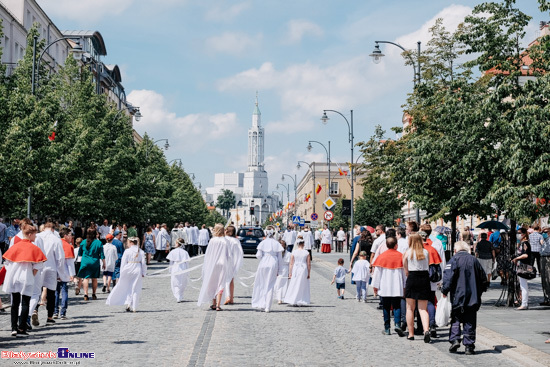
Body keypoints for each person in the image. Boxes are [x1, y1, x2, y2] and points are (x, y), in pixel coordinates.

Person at [442, 241, 489, 355]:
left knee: (456, 318)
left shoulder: (454, 260)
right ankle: (469, 346)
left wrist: (444, 291)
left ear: (455, 250)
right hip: (472, 297)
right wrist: (481, 291)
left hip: (458, 295)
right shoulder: (474, 260)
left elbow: (448, 278)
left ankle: (455, 339)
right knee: (470, 320)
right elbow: (483, 278)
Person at [2, 222, 46, 337]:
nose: (36, 237)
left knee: (15, 303)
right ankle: (22, 327)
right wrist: (31, 274)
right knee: (25, 302)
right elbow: (38, 265)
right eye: (35, 235)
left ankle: (13, 328)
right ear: (30, 234)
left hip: (14, 276)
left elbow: (7, 262)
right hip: (27, 276)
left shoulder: (15, 246)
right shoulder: (34, 248)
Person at [372, 237, 406, 336]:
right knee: (397, 306)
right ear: (396, 245)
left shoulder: (381, 257)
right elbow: (404, 273)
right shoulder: (401, 256)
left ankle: (387, 328)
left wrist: (375, 286)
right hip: (397, 286)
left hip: (385, 286)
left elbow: (377, 273)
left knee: (386, 307)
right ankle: (397, 325)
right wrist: (404, 285)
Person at [34, 220, 65, 326]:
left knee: (36, 291)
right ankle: (49, 317)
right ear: (53, 229)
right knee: (51, 293)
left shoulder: (37, 237)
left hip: (38, 267)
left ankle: (34, 309)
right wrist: (61, 272)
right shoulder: (56, 239)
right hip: (51, 267)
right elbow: (60, 258)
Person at [197, 224, 233, 311]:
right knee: (220, 283)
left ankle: (213, 303)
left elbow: (208, 254)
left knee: (212, 282)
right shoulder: (225, 241)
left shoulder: (212, 241)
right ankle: (218, 304)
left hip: (213, 264)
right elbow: (229, 255)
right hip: (222, 264)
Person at [106, 237, 147, 312]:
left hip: (128, 269)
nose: (127, 244)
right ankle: (133, 306)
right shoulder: (140, 251)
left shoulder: (127, 251)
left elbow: (123, 263)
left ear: (131, 243)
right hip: (137, 269)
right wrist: (144, 272)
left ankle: (128, 303)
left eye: (128, 243)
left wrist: (122, 273)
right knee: (136, 288)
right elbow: (143, 263)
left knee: (128, 287)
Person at [403, 233, 431, 343]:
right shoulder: (425, 252)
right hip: (424, 278)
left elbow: (405, 269)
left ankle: (411, 334)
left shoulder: (408, 253)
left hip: (412, 277)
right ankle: (426, 330)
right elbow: (428, 265)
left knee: (410, 308)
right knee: (423, 309)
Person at [252, 226, 284, 312]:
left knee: (262, 283)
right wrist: (280, 270)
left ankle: (262, 303)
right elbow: (280, 258)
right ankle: (267, 307)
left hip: (264, 262)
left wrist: (263, 258)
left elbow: (258, 255)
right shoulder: (277, 243)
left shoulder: (263, 242)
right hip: (273, 262)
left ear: (266, 233)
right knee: (270, 285)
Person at [77, 228, 106, 301]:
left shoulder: (83, 242)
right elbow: (102, 255)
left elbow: (79, 253)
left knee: (86, 278)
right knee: (94, 278)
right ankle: (94, 294)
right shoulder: (99, 243)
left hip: (85, 262)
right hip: (95, 262)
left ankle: (86, 294)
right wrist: (104, 263)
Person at [54, 228, 76, 320]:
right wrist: (72, 274)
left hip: (55, 271)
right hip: (65, 271)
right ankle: (63, 312)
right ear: (65, 235)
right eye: (70, 234)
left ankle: (55, 311)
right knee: (64, 292)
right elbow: (70, 262)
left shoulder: (56, 243)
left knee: (55, 292)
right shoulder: (68, 246)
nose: (71, 237)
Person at [284, 236, 311, 306]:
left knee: (294, 283)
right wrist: (309, 273)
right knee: (302, 284)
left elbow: (291, 263)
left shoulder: (294, 252)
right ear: (303, 244)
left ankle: (293, 299)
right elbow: (308, 264)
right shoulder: (306, 252)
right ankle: (301, 299)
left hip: (296, 268)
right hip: (303, 268)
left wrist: (290, 272)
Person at [513, 227, 532, 310]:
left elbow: (526, 255)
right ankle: (523, 302)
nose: (518, 235)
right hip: (521, 265)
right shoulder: (522, 243)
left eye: (519, 233)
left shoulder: (525, 243)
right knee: (522, 285)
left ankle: (524, 303)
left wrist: (517, 258)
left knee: (523, 285)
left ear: (524, 234)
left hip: (523, 266)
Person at [224, 225, 243, 305]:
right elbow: (240, 253)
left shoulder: (224, 240)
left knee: (224, 280)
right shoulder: (236, 241)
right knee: (231, 280)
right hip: (232, 262)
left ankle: (227, 296)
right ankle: (231, 298)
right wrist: (237, 263)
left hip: (224, 261)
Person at [166, 238, 190, 302]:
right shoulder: (185, 252)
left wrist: (170, 270)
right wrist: (188, 270)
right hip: (183, 267)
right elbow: (187, 262)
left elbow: (171, 262)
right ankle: (180, 295)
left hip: (175, 267)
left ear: (177, 244)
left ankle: (178, 295)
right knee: (182, 282)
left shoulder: (173, 251)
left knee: (175, 282)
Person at [541, 227, 550, 307]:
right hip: (543, 257)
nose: (545, 233)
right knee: (544, 279)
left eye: (546, 231)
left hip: (548, 257)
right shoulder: (546, 239)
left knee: (548, 279)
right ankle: (546, 298)